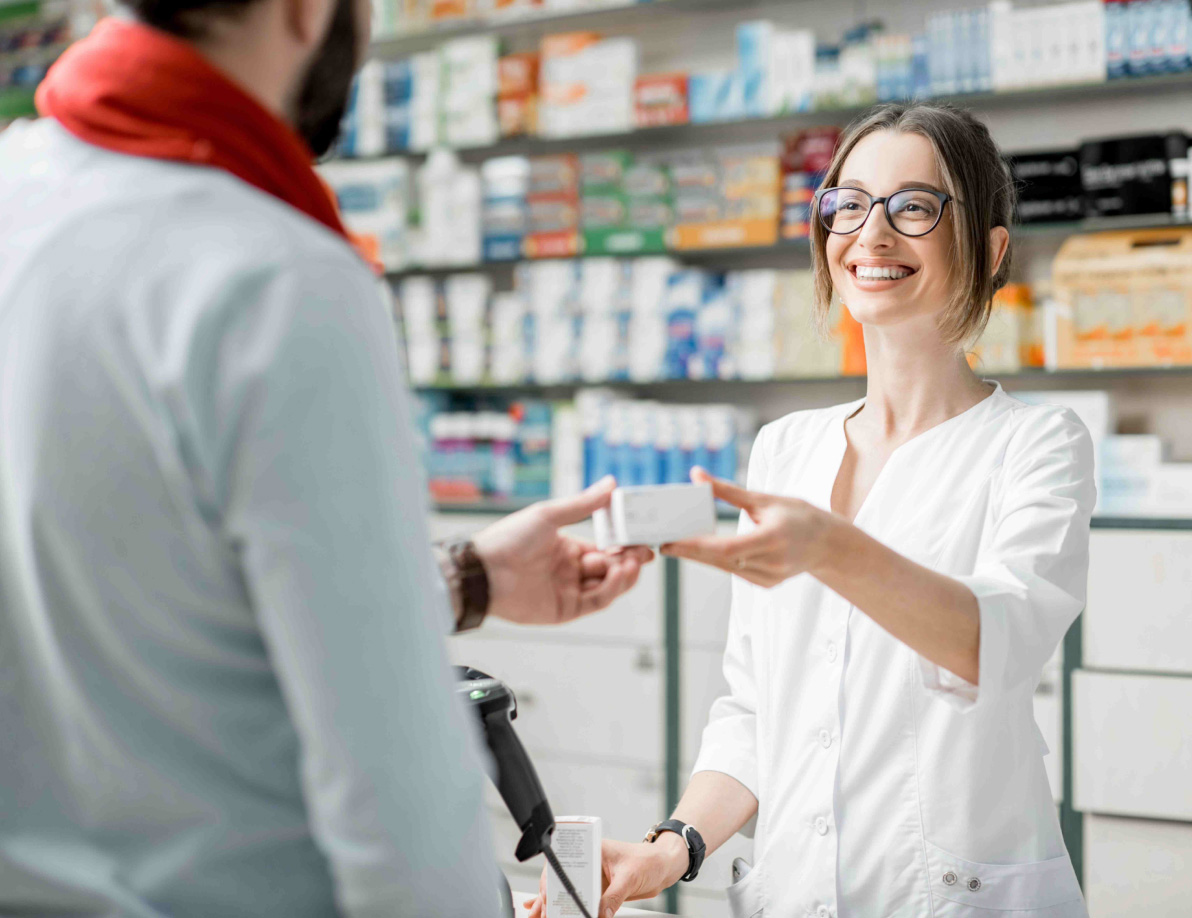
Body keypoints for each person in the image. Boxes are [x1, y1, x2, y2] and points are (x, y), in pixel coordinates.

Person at [0, 0, 652, 915]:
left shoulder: (18, 194)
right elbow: (396, 794)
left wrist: (467, 581)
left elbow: (128, 594)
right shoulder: (276, 277)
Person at [527, 102, 1095, 918]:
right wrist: (669, 848)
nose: (872, 233)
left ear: (991, 248)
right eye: (849, 203)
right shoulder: (786, 447)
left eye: (913, 206)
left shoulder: (1037, 442)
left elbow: (992, 645)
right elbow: (756, 710)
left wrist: (830, 549)